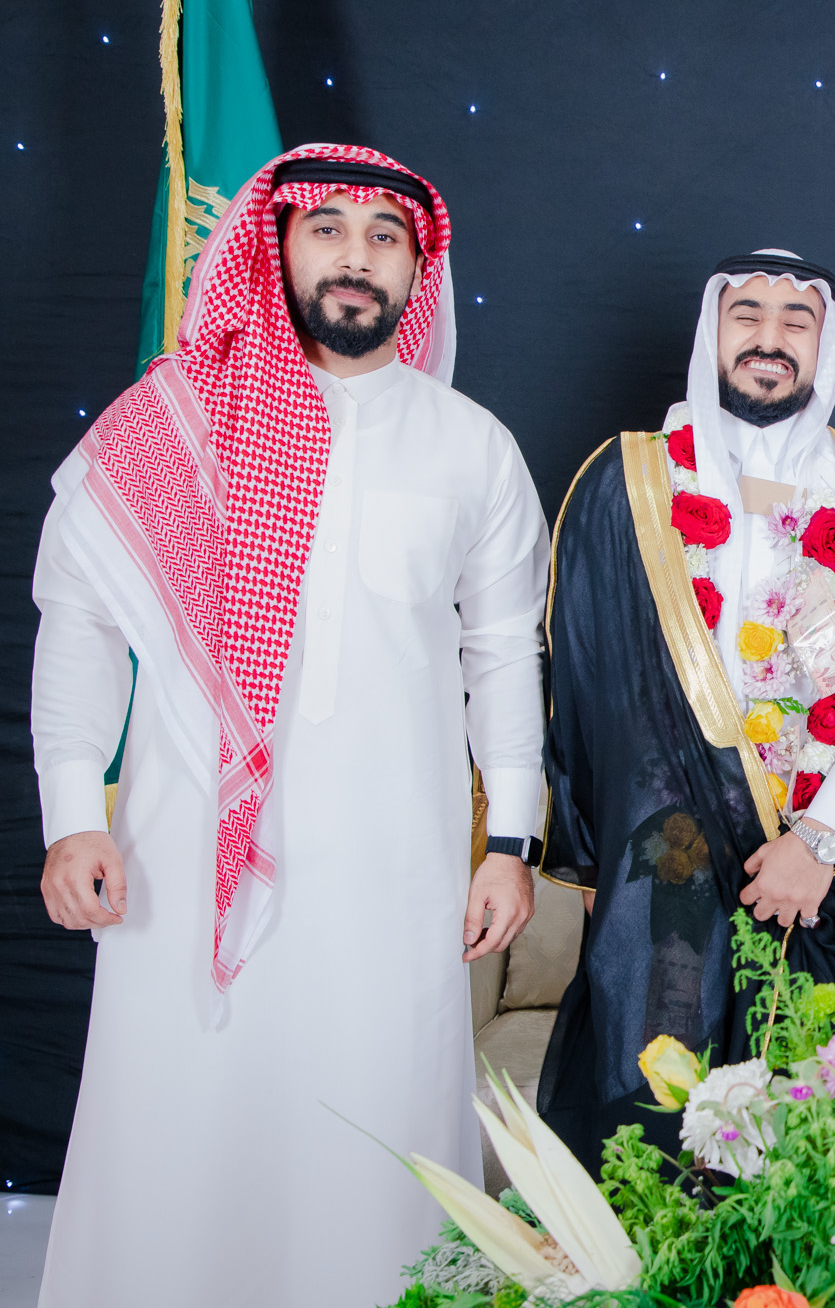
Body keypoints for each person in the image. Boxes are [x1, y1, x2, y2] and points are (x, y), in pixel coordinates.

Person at [31, 145, 548, 1306]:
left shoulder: (470, 445)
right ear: (277, 246)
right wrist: (73, 815)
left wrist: (508, 844)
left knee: (373, 1129)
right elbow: (78, 617)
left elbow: (504, 653)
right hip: (180, 860)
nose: (356, 258)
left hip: (393, 870)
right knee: (179, 1122)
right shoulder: (171, 420)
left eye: (384, 237)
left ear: (418, 268)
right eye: (328, 229)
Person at [537, 250, 835, 1168]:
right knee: (658, 1136)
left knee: (820, 1144)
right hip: (669, 874)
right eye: (748, 316)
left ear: (824, 344)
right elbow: (588, 682)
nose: (771, 339)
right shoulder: (629, 482)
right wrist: (615, 858)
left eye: (797, 321)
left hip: (817, 873)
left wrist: (822, 840)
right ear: (711, 332)